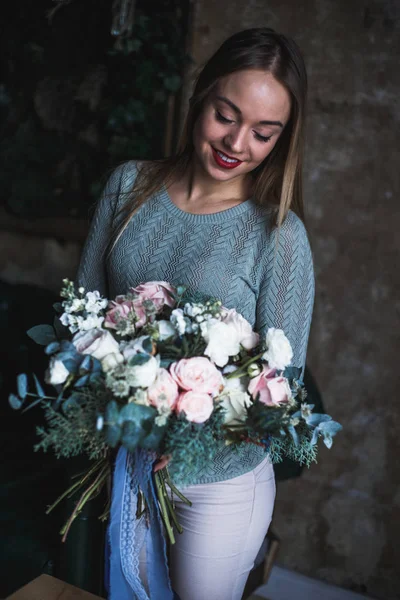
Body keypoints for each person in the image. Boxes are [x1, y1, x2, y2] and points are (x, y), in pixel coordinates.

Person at [76, 27, 315, 600]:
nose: (237, 142)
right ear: (199, 97)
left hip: (221, 489)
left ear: (283, 139)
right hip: (125, 464)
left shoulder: (278, 235)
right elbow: (80, 324)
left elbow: (283, 392)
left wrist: (188, 440)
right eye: (225, 115)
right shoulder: (126, 187)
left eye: (263, 132)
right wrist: (120, 415)